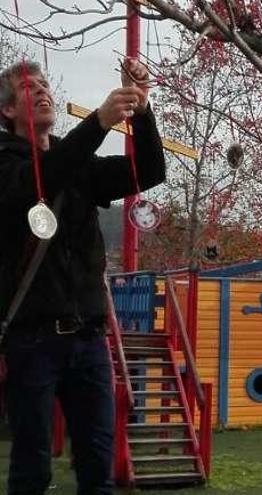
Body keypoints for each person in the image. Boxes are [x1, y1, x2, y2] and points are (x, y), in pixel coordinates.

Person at [0, 58, 166, 494]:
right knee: (31, 466)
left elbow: (147, 172)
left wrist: (142, 113)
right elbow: (41, 180)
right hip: (31, 338)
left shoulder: (75, 162)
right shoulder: (5, 163)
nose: (40, 90)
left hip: (89, 338)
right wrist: (98, 122)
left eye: (43, 83)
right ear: (8, 112)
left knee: (98, 465)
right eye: (27, 87)